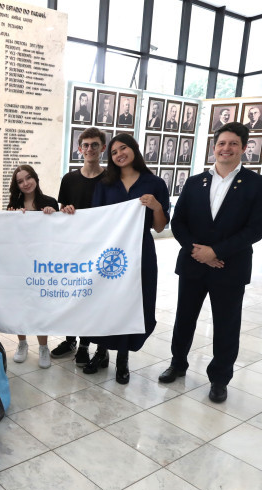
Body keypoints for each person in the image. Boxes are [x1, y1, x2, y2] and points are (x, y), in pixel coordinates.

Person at [158, 122, 262, 403]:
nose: (226, 148)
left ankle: (220, 378)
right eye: (221, 143)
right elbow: (179, 221)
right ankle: (178, 363)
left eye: (233, 143)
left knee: (226, 325)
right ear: (214, 147)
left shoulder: (258, 184)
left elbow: (255, 229)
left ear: (244, 148)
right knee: (184, 319)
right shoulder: (196, 182)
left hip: (230, 268)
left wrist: (215, 252)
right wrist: (198, 251)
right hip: (193, 264)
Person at [88, 134, 170, 384]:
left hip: (139, 251)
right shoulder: (105, 183)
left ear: (134, 149)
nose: (119, 154)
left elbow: (159, 227)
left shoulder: (154, 183)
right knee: (104, 301)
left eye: (123, 148)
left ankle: (122, 358)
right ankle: (101, 352)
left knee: (131, 302)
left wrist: (156, 207)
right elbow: (95, 220)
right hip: (108, 253)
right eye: (114, 152)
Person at [51, 128, 107, 367]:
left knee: (90, 297)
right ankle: (70, 339)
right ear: (79, 148)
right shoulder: (69, 179)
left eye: (95, 144)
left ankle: (85, 344)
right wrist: (65, 211)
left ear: (103, 148)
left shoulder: (110, 179)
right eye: (85, 145)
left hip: (99, 246)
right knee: (72, 293)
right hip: (74, 247)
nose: (90, 149)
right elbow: (64, 212)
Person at [7, 164, 59, 369]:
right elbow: (7, 237)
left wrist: (52, 215)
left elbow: (59, 232)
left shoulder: (49, 202)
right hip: (19, 263)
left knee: (40, 305)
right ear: (17, 185)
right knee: (20, 304)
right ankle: (22, 344)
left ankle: (43, 347)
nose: (26, 183)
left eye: (28, 178)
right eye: (20, 181)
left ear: (35, 178)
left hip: (42, 264)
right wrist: (12, 218)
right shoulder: (13, 204)